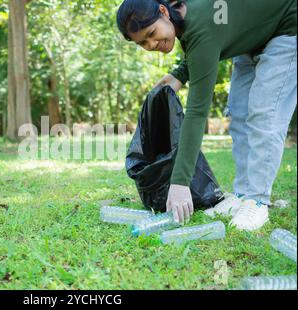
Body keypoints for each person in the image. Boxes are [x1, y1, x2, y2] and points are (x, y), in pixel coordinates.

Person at [116, 0, 297, 230]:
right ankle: (243, 195)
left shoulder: (199, 26)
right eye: (143, 42)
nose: (152, 44)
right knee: (239, 114)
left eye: (152, 33)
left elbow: (197, 112)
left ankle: (257, 200)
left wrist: (180, 182)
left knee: (264, 115)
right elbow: (207, 40)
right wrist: (180, 73)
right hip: (251, 39)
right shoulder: (181, 13)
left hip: (286, 29)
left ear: (163, 12)